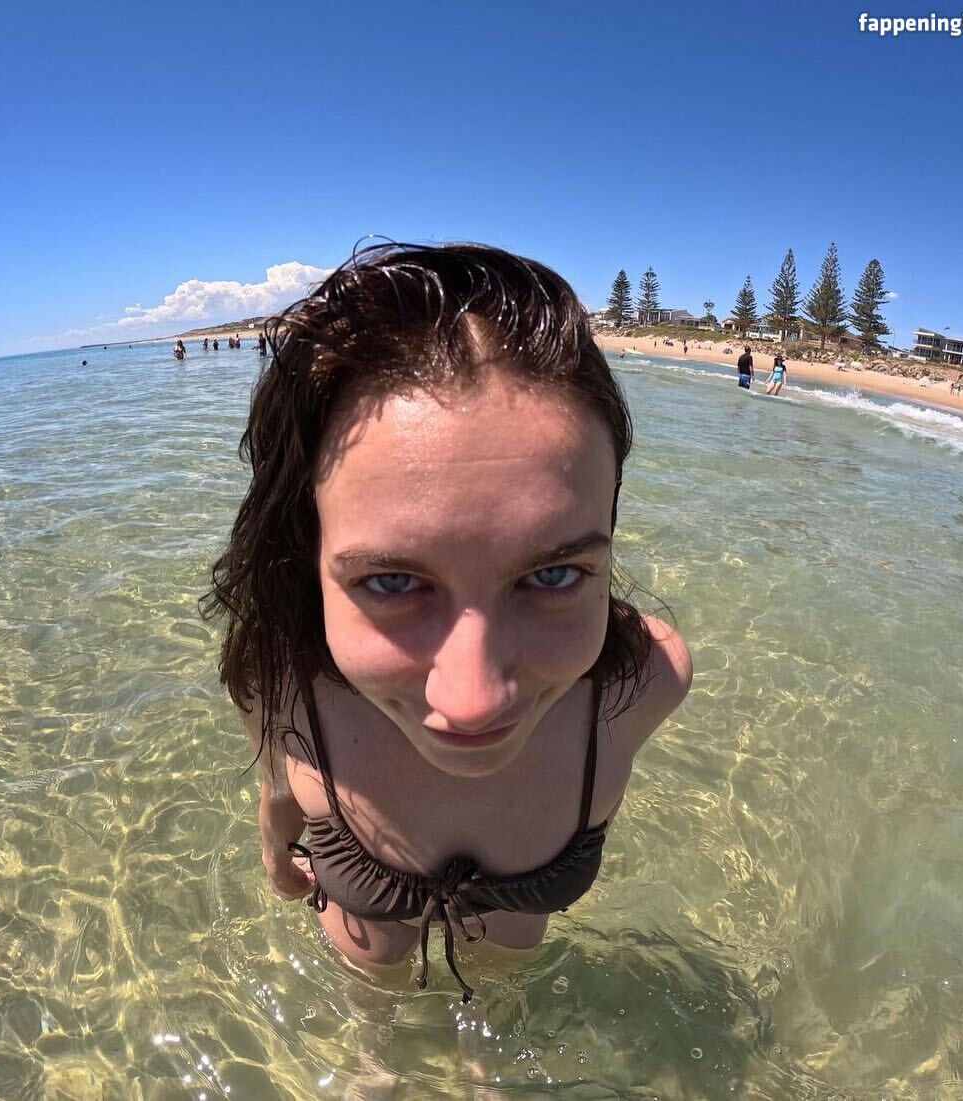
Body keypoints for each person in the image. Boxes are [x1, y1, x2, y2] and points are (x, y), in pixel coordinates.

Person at [204, 242, 693, 1003]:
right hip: (363, 928)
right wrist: (275, 850)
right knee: (374, 992)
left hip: (511, 934)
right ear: (306, 556)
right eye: (392, 581)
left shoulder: (648, 678)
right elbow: (276, 784)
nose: (474, 703)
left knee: (500, 980)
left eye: (554, 574)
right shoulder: (281, 672)